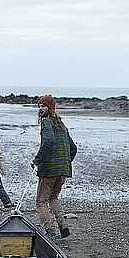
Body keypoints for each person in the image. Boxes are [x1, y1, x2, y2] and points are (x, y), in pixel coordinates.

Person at [31, 95, 77, 239]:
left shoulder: (46, 122)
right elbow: (73, 148)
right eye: (39, 106)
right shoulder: (62, 125)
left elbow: (49, 140)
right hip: (63, 170)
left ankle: (50, 231)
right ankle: (62, 224)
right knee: (53, 197)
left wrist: (37, 160)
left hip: (49, 170)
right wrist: (65, 163)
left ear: (50, 108)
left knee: (41, 202)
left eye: (43, 106)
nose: (40, 109)